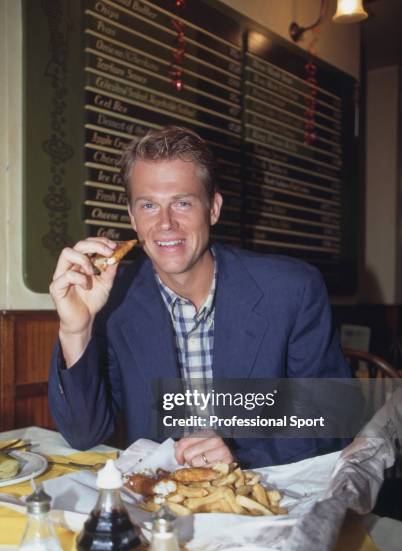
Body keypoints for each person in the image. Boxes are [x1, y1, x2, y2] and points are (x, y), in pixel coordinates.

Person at [48, 125, 351, 468]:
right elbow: (85, 434)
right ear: (132, 217)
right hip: (159, 506)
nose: (165, 223)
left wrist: (240, 456)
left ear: (213, 208)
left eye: (182, 203)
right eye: (148, 205)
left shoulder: (292, 289)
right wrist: (76, 330)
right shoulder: (114, 300)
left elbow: (331, 418)